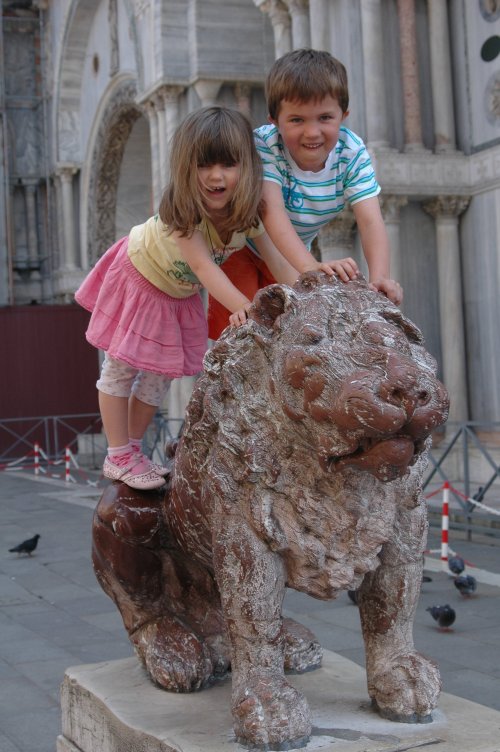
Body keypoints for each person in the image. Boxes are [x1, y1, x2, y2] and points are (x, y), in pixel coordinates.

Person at [75, 106, 339, 490]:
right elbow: (203, 267)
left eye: (229, 164)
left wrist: (308, 287)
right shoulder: (184, 212)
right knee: (120, 369)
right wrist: (244, 307)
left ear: (246, 167)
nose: (216, 176)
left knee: (159, 377)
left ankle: (132, 450)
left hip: (175, 294)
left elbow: (276, 258)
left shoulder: (248, 211)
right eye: (204, 165)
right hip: (141, 279)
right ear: (186, 167)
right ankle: (117, 454)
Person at [207, 48, 402, 340]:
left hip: (290, 251)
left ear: (343, 116)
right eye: (297, 120)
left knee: (289, 330)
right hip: (239, 245)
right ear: (274, 120)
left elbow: (371, 219)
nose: (312, 132)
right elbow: (271, 210)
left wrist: (380, 278)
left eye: (325, 117)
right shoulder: (266, 145)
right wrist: (312, 268)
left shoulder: (351, 152)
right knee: (240, 330)